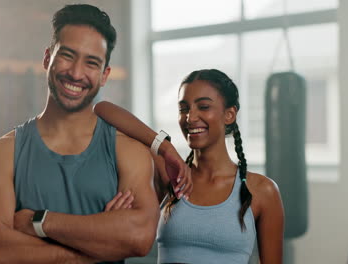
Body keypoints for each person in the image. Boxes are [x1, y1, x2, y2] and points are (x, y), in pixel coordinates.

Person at [0, 4, 190, 264]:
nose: (76, 73)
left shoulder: (127, 151)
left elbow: (139, 237)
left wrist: (39, 222)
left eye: (91, 62)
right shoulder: (1, 154)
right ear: (47, 57)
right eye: (67, 55)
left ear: (104, 75)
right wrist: (96, 247)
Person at [94, 69, 285, 263]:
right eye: (183, 109)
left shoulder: (262, 190)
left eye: (203, 107)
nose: (190, 117)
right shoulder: (170, 175)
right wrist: (165, 147)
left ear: (229, 115)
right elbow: (102, 109)